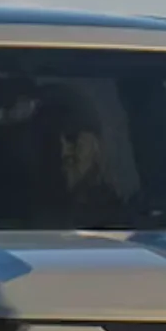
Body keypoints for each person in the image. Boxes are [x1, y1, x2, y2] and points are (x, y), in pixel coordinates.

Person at [33, 84, 129, 227]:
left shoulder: (127, 224)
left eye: (72, 138)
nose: (63, 151)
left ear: (98, 145)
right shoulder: (17, 220)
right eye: (50, 140)